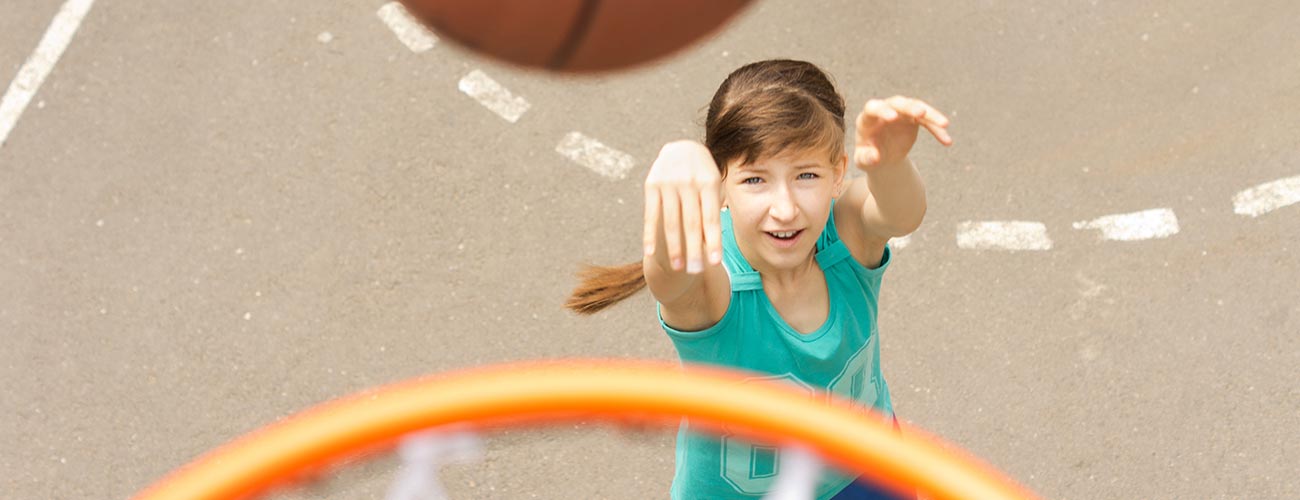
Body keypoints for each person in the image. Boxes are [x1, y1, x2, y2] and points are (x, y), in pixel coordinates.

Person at [565, 59, 951, 500]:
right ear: (721, 185)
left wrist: (891, 164)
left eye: (806, 175)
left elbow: (901, 213)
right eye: (755, 179)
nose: (784, 207)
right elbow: (672, 275)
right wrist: (680, 160)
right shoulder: (715, 288)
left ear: (839, 173)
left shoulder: (845, 238)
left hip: (864, 469)